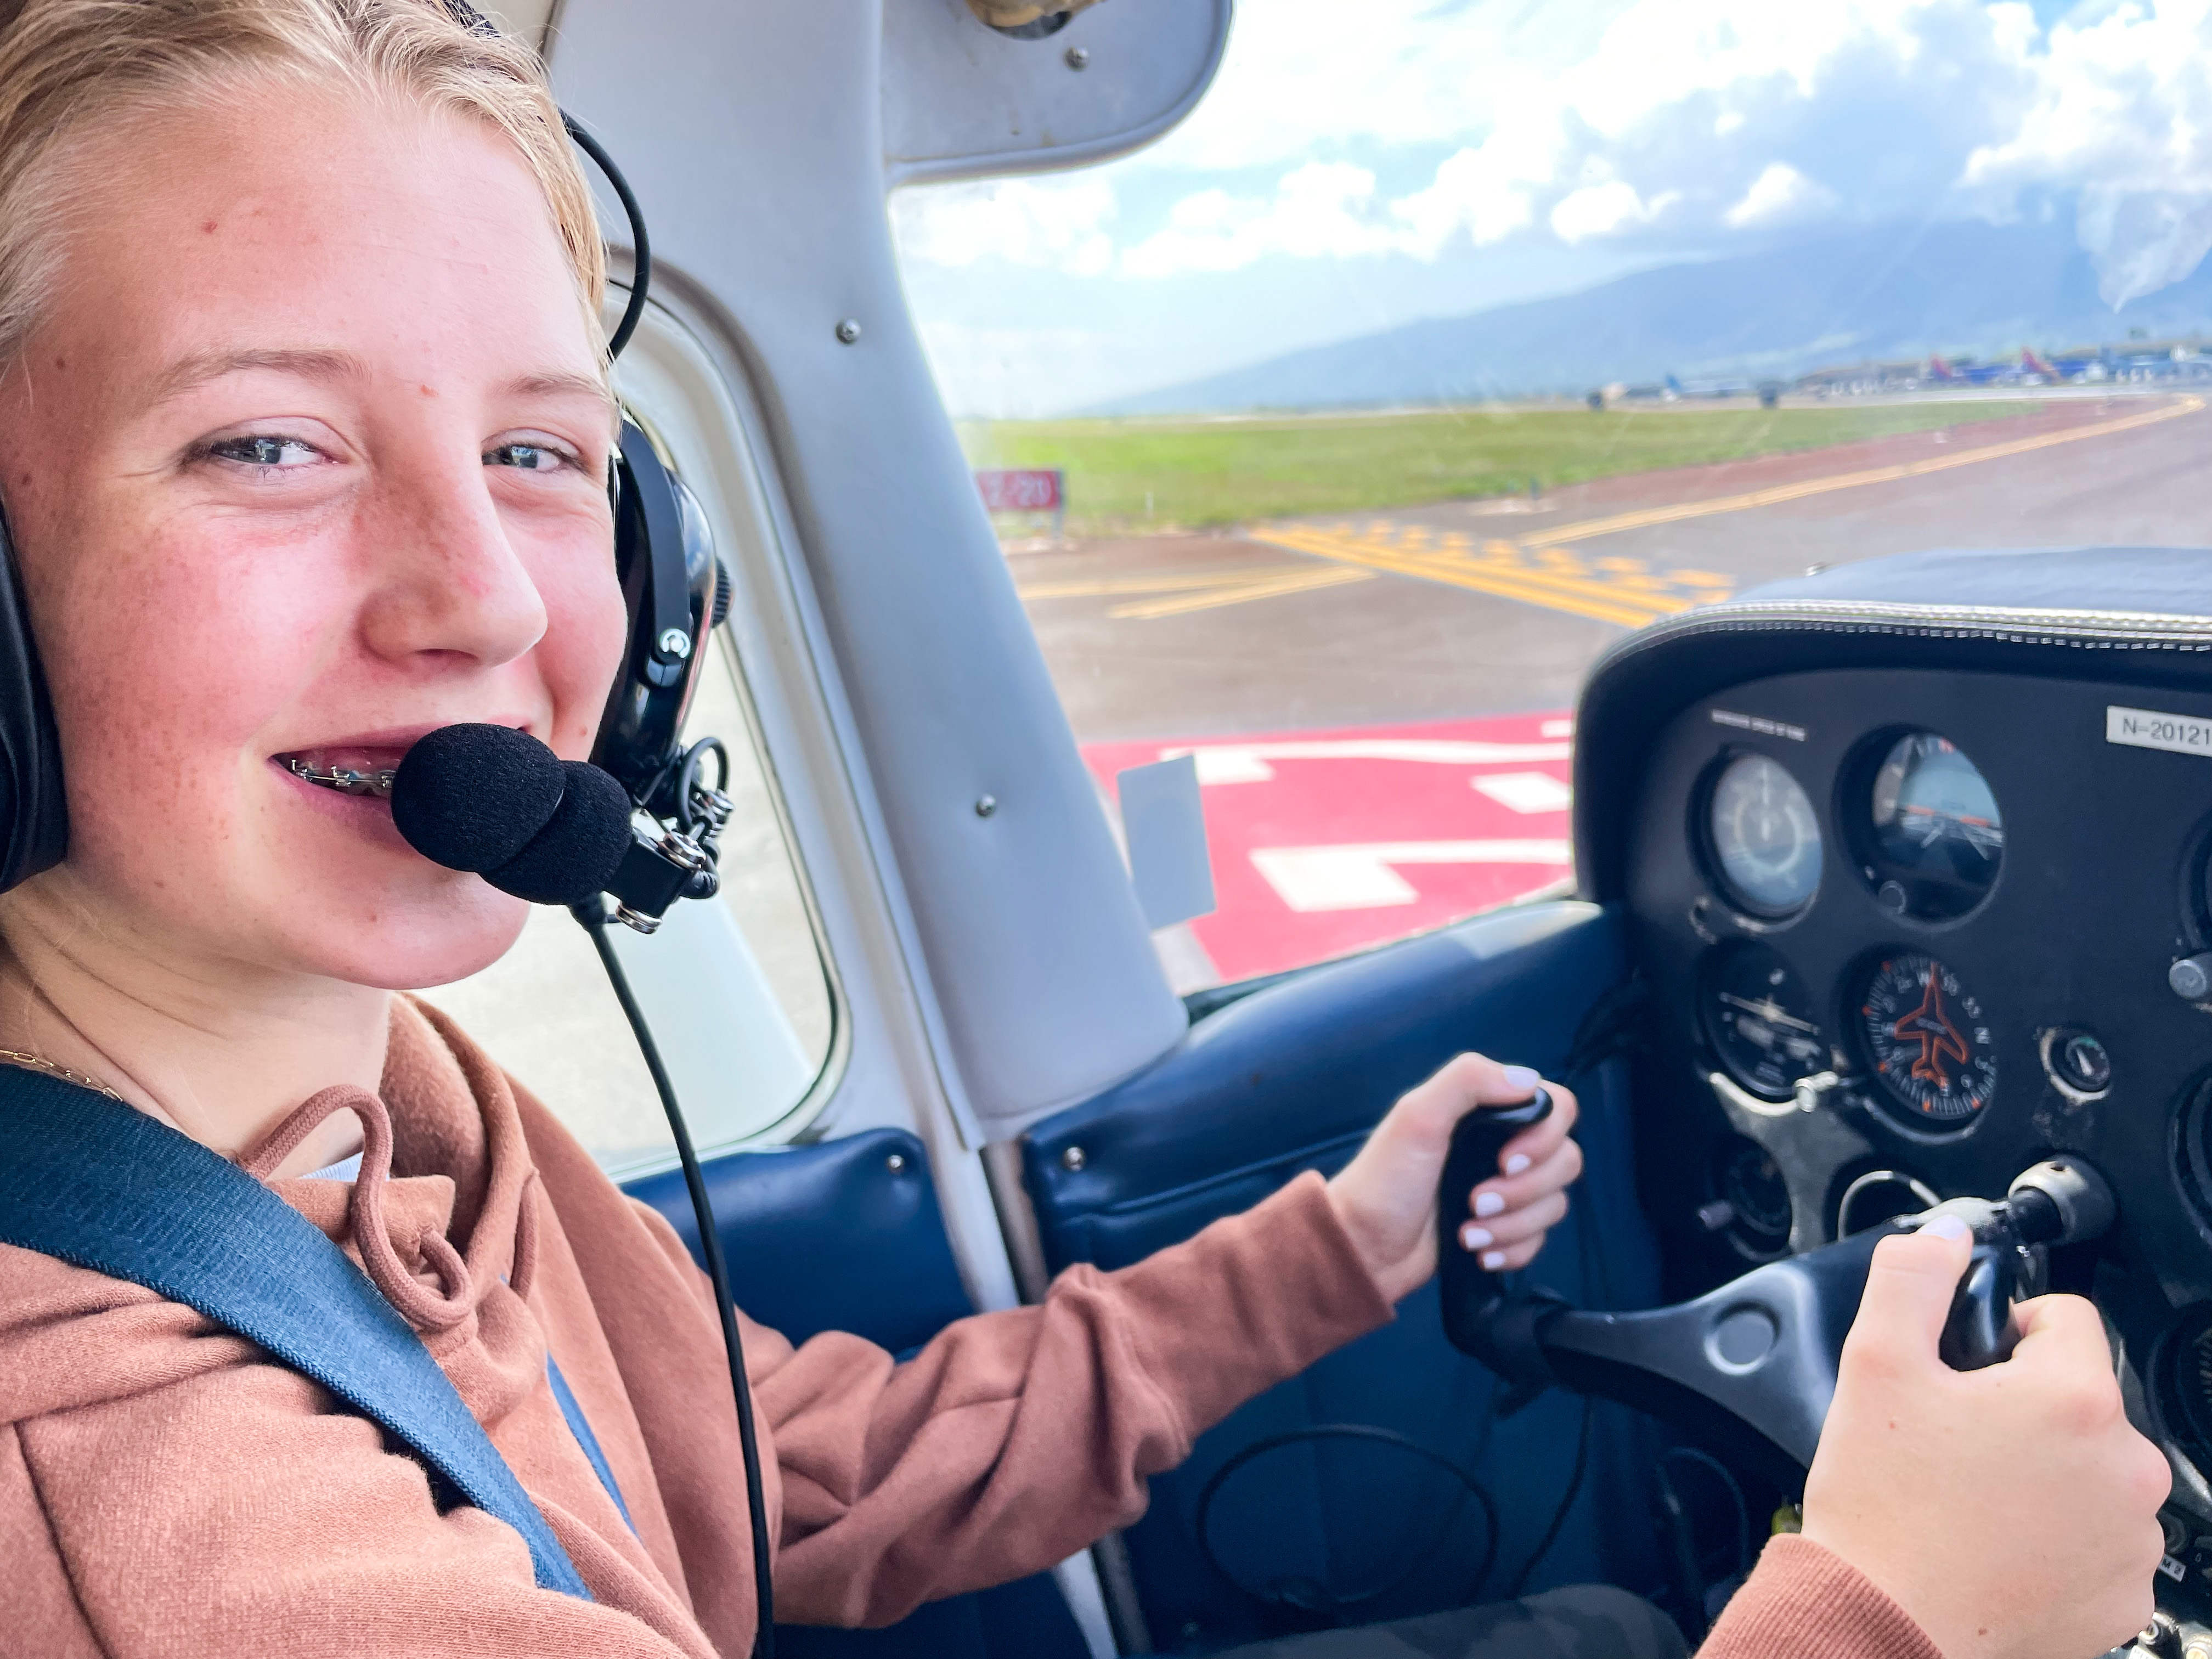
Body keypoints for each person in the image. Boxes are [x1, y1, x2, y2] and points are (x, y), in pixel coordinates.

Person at [0, 4, 2168, 1658]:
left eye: (546, 455)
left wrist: (1361, 1236)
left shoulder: (394, 1117)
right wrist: (1903, 1608)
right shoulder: (134, 1504)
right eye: (265, 442)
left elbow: (804, 1476)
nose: (477, 597)